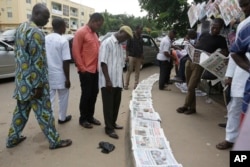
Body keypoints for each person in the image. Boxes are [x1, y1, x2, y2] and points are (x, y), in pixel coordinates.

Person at [6, 3, 72, 149]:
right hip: (34, 84)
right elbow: (38, 62)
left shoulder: (21, 28)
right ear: (36, 14)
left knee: (21, 112)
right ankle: (54, 141)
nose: (47, 20)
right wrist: (38, 86)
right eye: (46, 17)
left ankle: (12, 139)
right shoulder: (36, 33)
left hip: (22, 82)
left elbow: (19, 56)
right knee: (45, 113)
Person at [176, 18, 228, 114]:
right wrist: (190, 46)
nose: (215, 30)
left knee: (191, 86)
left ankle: (185, 106)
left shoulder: (221, 39)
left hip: (200, 65)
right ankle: (192, 108)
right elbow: (197, 44)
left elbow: (225, 53)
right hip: (190, 61)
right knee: (189, 86)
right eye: (214, 27)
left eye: (218, 28)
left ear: (221, 29)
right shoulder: (204, 34)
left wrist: (215, 56)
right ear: (211, 25)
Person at [99, 26, 133, 139]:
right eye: (126, 36)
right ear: (121, 32)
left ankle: (113, 123)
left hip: (117, 81)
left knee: (116, 104)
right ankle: (109, 128)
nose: (125, 39)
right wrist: (108, 80)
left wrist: (122, 81)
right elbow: (103, 63)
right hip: (108, 81)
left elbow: (120, 65)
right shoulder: (107, 43)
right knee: (108, 106)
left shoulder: (119, 46)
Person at [72, 13, 104, 129]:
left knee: (94, 94)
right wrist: (82, 69)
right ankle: (83, 118)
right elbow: (76, 52)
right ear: (93, 21)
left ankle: (90, 116)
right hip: (86, 70)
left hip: (95, 70)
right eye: (98, 24)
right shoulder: (81, 32)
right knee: (86, 94)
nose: (99, 27)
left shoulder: (95, 34)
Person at [216, 54, 249, 150]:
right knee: (234, 110)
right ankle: (230, 139)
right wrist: (229, 76)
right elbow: (234, 55)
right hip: (241, 79)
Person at [45, 18, 72, 124]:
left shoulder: (45, 39)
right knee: (63, 97)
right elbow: (66, 61)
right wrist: (68, 79)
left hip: (48, 74)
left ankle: (49, 122)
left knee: (50, 99)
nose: (65, 28)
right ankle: (62, 118)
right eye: (65, 26)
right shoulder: (63, 40)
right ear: (61, 26)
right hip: (60, 75)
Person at [124, 25, 143, 90]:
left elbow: (141, 48)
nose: (141, 31)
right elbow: (127, 48)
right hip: (131, 56)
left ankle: (136, 84)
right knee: (129, 70)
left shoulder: (141, 38)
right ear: (137, 29)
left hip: (138, 57)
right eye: (140, 29)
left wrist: (142, 56)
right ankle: (126, 84)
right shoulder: (131, 37)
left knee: (137, 71)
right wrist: (127, 57)